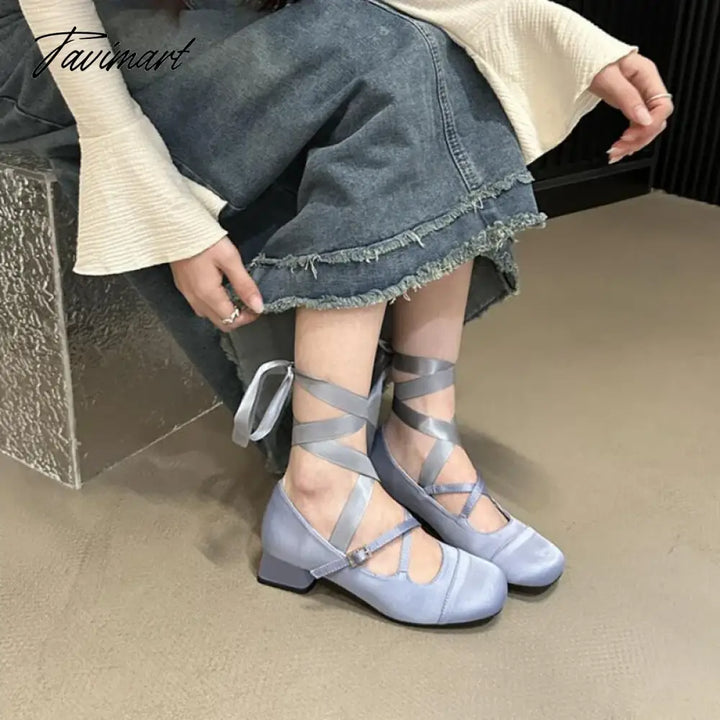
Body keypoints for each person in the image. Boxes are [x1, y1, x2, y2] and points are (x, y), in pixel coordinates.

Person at [2, 0, 672, 625]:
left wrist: (556, 28)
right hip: (48, 42)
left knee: (441, 52)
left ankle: (420, 431)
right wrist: (152, 198)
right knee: (383, 51)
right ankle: (323, 485)